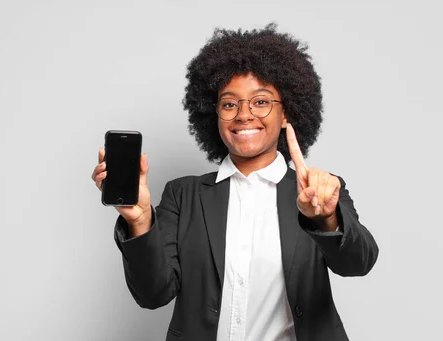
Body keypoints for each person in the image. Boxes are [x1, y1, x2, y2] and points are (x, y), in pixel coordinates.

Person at [91, 23, 378, 341]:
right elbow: (153, 295)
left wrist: (326, 218)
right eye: (229, 104)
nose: (243, 114)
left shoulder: (321, 191)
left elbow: (358, 263)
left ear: (286, 114)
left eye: (260, 102)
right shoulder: (183, 195)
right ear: (213, 115)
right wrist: (141, 222)